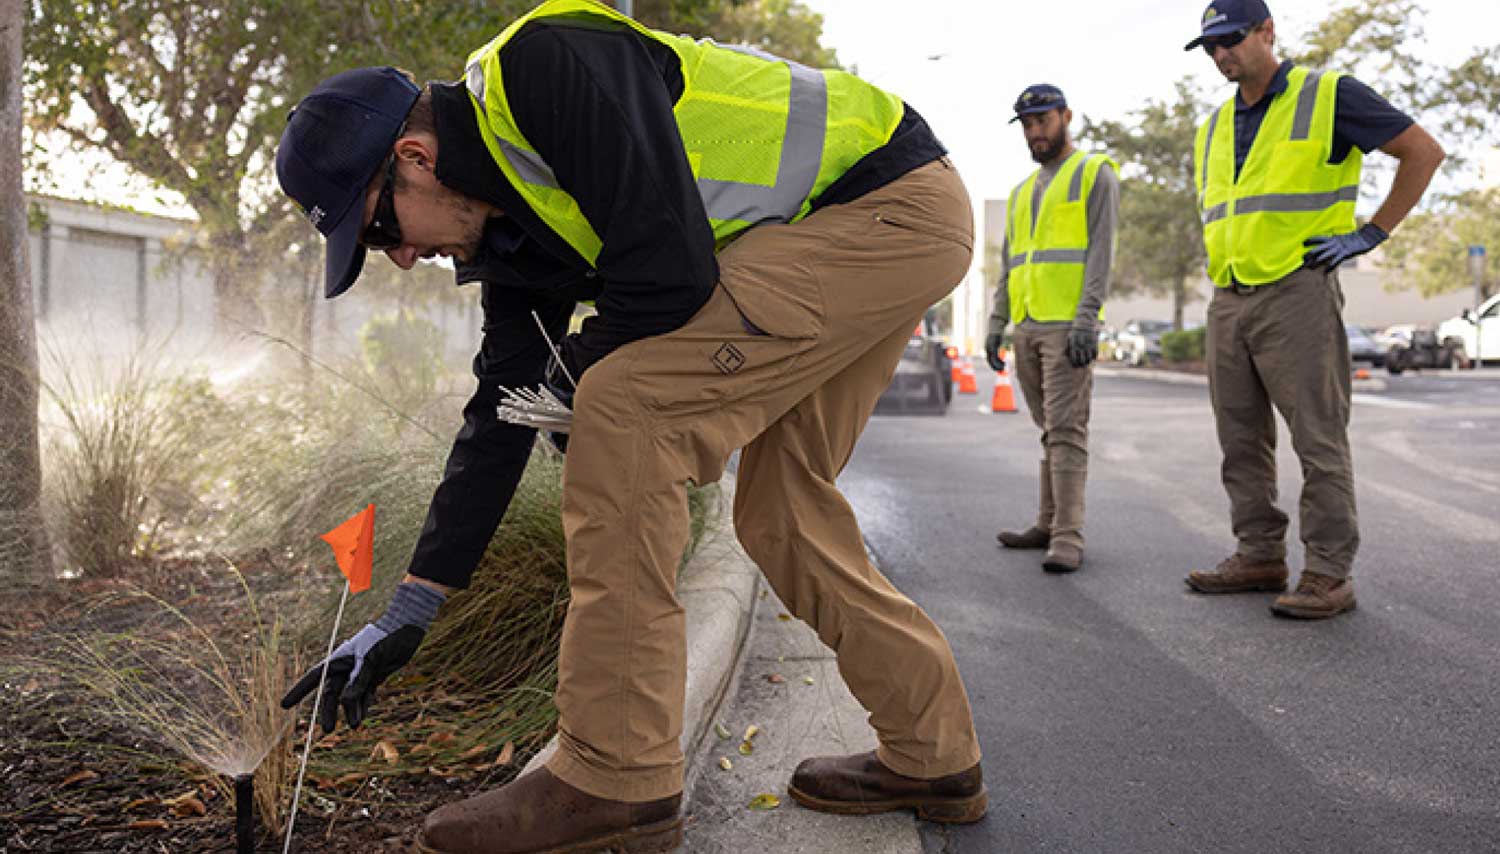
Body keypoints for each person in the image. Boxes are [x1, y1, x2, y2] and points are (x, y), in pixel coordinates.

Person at [273, 1, 986, 851]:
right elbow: (498, 414)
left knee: (625, 406)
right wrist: (409, 610)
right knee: (779, 507)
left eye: (382, 227)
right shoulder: (516, 230)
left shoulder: (546, 65)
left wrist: (577, 375)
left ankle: (614, 776)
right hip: (876, 227)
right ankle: (933, 750)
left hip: (883, 208)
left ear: (415, 157)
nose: (398, 256)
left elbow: (672, 273)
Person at [1181, 0, 1444, 618]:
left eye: (1232, 39)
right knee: (1239, 439)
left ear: (1268, 32)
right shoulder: (1214, 126)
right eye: (1211, 46)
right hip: (1229, 296)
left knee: (1318, 438)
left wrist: (1370, 233)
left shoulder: (1329, 94)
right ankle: (1258, 554)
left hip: (1296, 291)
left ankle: (1328, 572)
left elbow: (1422, 152)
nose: (1222, 54)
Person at [986, 84, 1118, 574]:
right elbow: (1010, 265)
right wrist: (997, 322)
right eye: (1026, 123)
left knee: (1066, 430)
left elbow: (1101, 254)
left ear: (1066, 116)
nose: (1034, 131)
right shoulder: (1022, 192)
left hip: (1067, 328)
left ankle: (1067, 536)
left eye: (1042, 120)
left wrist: (1088, 317)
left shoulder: (1093, 175)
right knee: (1049, 430)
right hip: (1027, 326)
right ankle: (1047, 521)